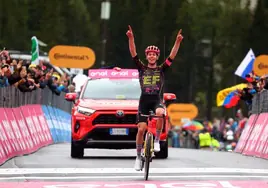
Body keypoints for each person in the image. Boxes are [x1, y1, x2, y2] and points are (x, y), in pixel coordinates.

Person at [126, 25, 183, 170]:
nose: (151, 56)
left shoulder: (162, 69)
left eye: (154, 54)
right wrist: (131, 38)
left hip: (156, 100)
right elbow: (133, 53)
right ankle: (138, 157)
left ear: (157, 57)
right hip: (144, 101)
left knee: (160, 113)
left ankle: (157, 140)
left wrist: (177, 42)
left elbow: (172, 56)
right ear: (147, 56)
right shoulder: (141, 68)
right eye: (149, 54)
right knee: (141, 129)